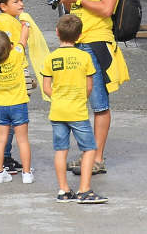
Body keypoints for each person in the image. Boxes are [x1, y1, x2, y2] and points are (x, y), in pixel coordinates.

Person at [52, 0, 130, 179]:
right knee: (85, 102)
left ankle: (96, 158)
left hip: (96, 45)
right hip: (81, 44)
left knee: (99, 104)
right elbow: (77, 5)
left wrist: (78, 0)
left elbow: (107, 8)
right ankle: (89, 155)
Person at [40, 14, 107, 205]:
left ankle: (63, 190)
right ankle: (84, 190)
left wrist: (59, 98)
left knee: (61, 150)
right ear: (79, 36)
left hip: (58, 110)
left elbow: (46, 87)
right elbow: (89, 87)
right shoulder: (85, 57)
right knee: (89, 149)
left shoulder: (51, 58)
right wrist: (78, 99)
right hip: (77, 111)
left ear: (57, 33)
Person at [0, 28, 33, 184]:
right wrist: (25, 25)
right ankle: (26, 174)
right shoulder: (16, 54)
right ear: (10, 46)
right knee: (23, 140)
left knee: (0, 140)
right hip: (18, 103)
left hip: (1, 104)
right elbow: (23, 39)